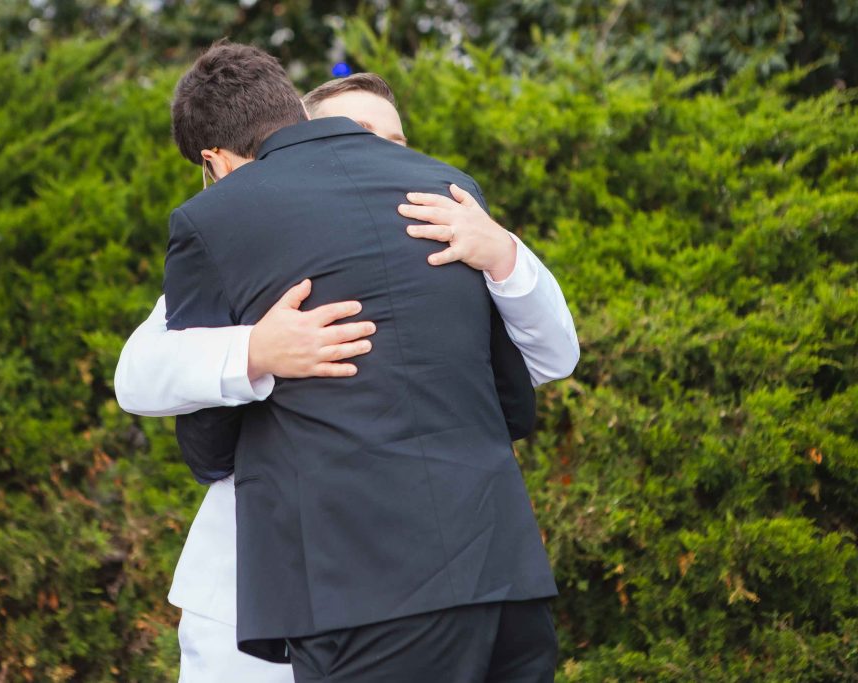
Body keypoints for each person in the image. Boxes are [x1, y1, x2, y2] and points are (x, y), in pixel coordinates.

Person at [117, 50, 577, 681]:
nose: (378, 154)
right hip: (273, 584)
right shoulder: (244, 240)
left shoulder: (445, 214)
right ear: (305, 132)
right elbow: (140, 370)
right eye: (359, 135)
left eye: (394, 141)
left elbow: (543, 362)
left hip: (386, 592)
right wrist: (257, 349)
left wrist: (506, 255)